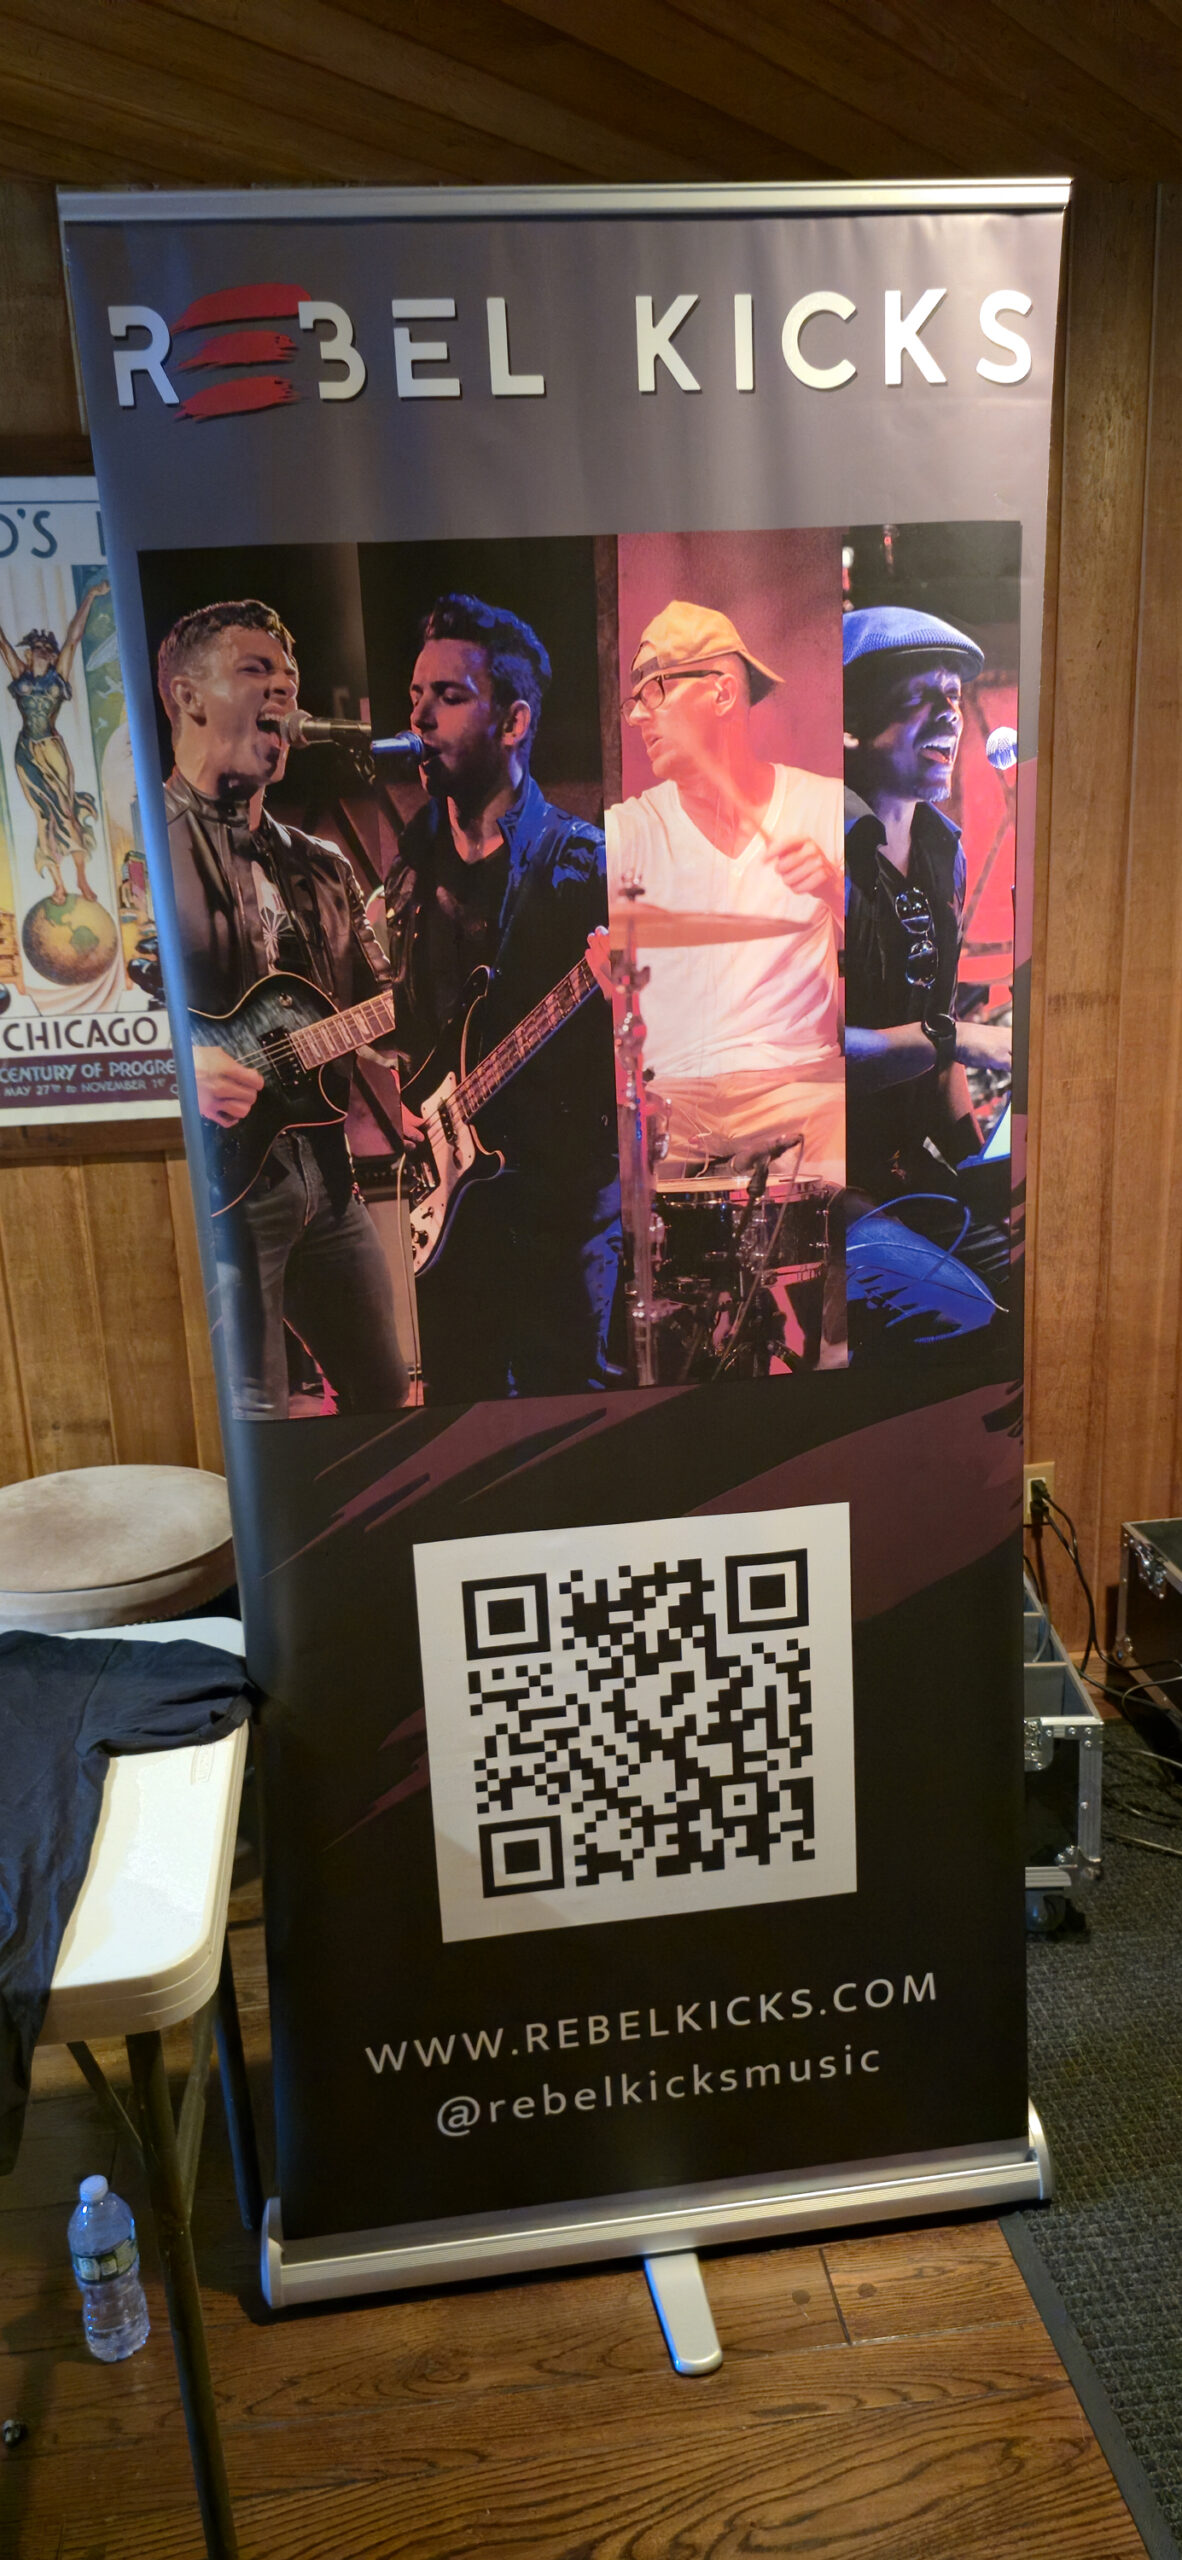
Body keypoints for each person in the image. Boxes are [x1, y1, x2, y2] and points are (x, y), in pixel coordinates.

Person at [159, 597, 408, 1421]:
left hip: (326, 1178)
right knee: (255, 1414)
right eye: (255, 670)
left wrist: (431, 999)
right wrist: (175, 1065)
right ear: (187, 696)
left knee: (384, 1394)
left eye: (290, 679)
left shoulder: (324, 866)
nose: (284, 692)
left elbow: (385, 1014)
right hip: (220, 1192)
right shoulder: (137, 851)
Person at [384, 589, 619, 1403]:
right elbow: (414, 1024)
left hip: (562, 1216)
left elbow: (649, 1045)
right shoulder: (411, 874)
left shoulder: (586, 866)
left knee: (570, 1432)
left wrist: (627, 999)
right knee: (461, 1429)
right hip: (455, 1215)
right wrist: (411, 1100)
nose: (420, 718)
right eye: (416, 695)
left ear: (514, 722)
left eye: (449, 697)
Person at [605, 601, 845, 1185]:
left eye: (656, 690)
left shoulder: (826, 806)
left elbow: (893, 952)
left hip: (798, 1087)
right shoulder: (627, 831)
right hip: (671, 1099)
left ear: (722, 692)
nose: (638, 717)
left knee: (843, 1173)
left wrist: (838, 890)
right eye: (634, 701)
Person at [841, 604, 1014, 1340]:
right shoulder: (817, 852)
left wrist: (981, 1169)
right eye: (922, 694)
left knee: (1025, 1279)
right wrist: (957, 1037)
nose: (950, 712)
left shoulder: (945, 849)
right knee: (963, 1310)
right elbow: (815, 1054)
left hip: (910, 1168)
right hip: (822, 1185)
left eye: (954, 694)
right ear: (853, 720)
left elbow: (937, 1055)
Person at [0, 584, 108, 903]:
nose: (45, 652)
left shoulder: (57, 676)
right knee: (42, 816)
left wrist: (90, 596)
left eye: (48, 649)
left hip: (52, 749)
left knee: (65, 810)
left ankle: (82, 878)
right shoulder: (21, 676)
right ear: (29, 652)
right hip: (26, 750)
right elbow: (2, 642)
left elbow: (73, 638)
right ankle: (58, 883)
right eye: (39, 648)